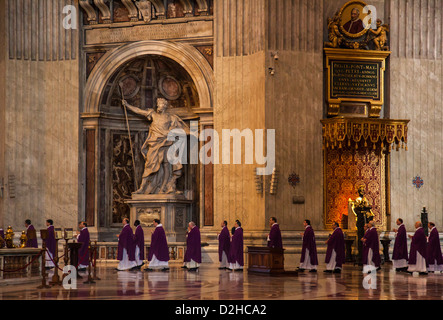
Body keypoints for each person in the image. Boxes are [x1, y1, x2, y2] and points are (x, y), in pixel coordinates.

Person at [122, 98, 189, 195]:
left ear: (165, 106)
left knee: (167, 166)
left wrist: (193, 132)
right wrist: (127, 105)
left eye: (160, 104)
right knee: (149, 165)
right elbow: (139, 111)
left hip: (167, 143)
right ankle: (142, 188)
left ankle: (164, 187)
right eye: (157, 104)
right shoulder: (153, 114)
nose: (158, 106)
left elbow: (181, 128)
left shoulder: (171, 118)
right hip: (154, 143)